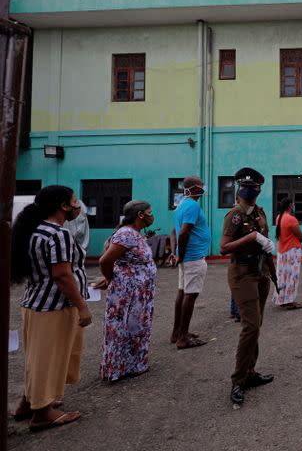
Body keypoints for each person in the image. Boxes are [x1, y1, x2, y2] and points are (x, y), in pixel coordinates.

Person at [10, 185, 90, 431]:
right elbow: (62, 276)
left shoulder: (35, 229)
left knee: (38, 358)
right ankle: (42, 413)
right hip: (54, 306)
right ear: (63, 206)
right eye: (74, 201)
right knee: (50, 357)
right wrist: (82, 306)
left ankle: (29, 401)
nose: (77, 206)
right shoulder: (57, 234)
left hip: (35, 303)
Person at [220, 167, 277, 407]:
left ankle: (250, 372)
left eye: (254, 187)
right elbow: (224, 248)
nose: (251, 191)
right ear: (239, 189)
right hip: (242, 273)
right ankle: (238, 379)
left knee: (256, 325)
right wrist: (252, 238)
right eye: (246, 187)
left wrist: (273, 274)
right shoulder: (234, 214)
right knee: (250, 325)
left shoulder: (260, 212)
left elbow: (265, 245)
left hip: (260, 272)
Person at [99, 200, 158, 382]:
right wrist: (110, 278)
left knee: (136, 327)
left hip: (138, 293)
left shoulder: (135, 233)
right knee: (123, 327)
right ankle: (117, 368)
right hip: (128, 293)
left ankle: (132, 365)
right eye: (149, 212)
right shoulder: (126, 234)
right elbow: (104, 261)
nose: (151, 215)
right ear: (140, 215)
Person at [168, 176, 210, 349]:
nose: (203, 189)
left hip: (186, 258)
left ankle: (176, 332)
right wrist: (182, 254)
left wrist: (175, 253)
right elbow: (183, 233)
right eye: (200, 186)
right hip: (193, 258)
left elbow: (173, 231)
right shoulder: (192, 205)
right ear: (191, 189)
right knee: (190, 296)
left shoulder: (181, 206)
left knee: (182, 293)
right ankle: (183, 338)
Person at [273, 197, 302, 310]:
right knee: (292, 276)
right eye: (293, 204)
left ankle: (282, 299)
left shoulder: (279, 217)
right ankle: (290, 301)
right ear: (290, 206)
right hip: (292, 252)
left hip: (282, 251)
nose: (294, 206)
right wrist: (299, 242)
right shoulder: (291, 219)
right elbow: (300, 236)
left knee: (282, 276)